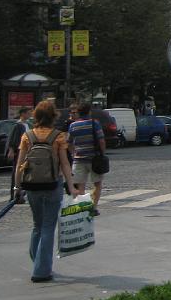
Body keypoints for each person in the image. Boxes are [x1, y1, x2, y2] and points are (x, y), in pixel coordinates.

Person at [14, 100, 81, 283]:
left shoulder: (27, 136)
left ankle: (37, 261)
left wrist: (17, 187)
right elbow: (65, 163)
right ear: (53, 116)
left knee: (37, 225)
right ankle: (41, 271)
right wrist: (72, 185)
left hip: (32, 185)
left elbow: (20, 164)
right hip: (52, 184)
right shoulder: (58, 136)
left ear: (35, 116)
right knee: (48, 227)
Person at [67, 103, 107, 215]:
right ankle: (93, 207)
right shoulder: (95, 123)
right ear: (89, 112)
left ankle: (82, 207)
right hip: (94, 159)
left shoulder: (73, 125)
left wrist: (73, 154)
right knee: (97, 184)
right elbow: (101, 140)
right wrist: (102, 154)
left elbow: (69, 143)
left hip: (79, 159)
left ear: (79, 112)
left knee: (80, 185)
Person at [6, 106, 30, 203]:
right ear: (23, 114)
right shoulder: (18, 125)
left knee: (25, 173)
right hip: (20, 152)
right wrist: (11, 150)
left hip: (27, 152)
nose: (30, 114)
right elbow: (12, 139)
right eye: (28, 112)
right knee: (17, 172)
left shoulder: (27, 124)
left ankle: (21, 195)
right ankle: (15, 195)